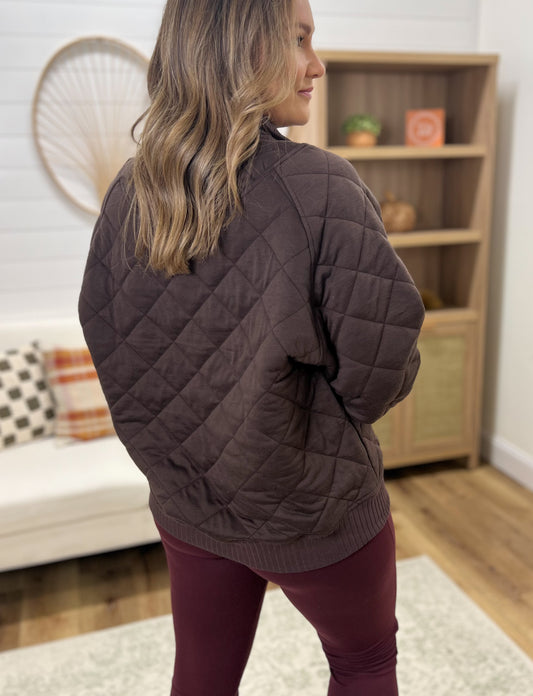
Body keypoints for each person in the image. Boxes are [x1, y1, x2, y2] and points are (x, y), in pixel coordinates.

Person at [79, 0, 425, 694]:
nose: (315, 66)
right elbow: (381, 371)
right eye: (298, 40)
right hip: (312, 509)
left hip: (190, 502)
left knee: (202, 673)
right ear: (242, 49)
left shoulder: (130, 191)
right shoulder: (318, 187)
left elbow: (107, 337)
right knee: (363, 662)